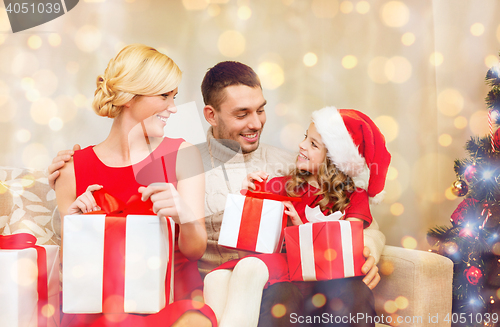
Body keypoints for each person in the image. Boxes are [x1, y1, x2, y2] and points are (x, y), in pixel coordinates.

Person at [49, 61, 385, 327]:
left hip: (285, 276)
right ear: (210, 115)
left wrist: (369, 245)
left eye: (260, 109)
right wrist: (71, 168)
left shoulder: (290, 165)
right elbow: (120, 187)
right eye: (241, 114)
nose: (256, 123)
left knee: (347, 291)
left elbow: (343, 205)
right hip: (222, 288)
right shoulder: (178, 157)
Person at [54, 44, 216, 327]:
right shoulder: (70, 169)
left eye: (174, 97)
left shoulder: (182, 154)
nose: (173, 108)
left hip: (172, 300)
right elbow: (74, 269)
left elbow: (195, 250)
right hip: (103, 305)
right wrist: (76, 224)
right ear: (129, 97)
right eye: (164, 96)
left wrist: (185, 215)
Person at [203, 106, 390, 327]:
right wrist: (248, 190)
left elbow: (348, 247)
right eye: (305, 137)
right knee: (240, 284)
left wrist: (300, 227)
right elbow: (250, 225)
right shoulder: (284, 185)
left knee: (349, 290)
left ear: (334, 161)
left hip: (327, 285)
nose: (301, 145)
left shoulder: (354, 196)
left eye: (313, 144)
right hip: (286, 281)